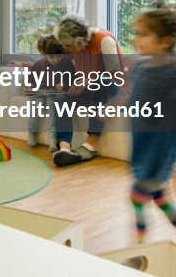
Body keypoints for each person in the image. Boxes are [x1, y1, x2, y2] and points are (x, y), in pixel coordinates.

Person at [128, 3, 176, 250]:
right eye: (136, 33)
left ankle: (138, 250)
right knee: (163, 199)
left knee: (138, 197)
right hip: (143, 144)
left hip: (160, 149)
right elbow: (137, 97)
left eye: (142, 34)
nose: (136, 39)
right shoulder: (140, 67)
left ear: (164, 40)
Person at [51, 15, 125, 166]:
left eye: (67, 45)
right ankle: (64, 148)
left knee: (98, 83)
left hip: (111, 91)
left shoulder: (104, 40)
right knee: (60, 99)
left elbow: (115, 76)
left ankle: (90, 145)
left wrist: (88, 79)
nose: (66, 49)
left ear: (78, 39)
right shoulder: (76, 47)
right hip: (91, 91)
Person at [25, 35, 75, 148]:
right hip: (39, 93)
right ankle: (32, 132)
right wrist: (30, 85)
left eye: (59, 57)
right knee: (34, 105)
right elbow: (31, 79)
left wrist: (64, 84)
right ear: (45, 55)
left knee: (52, 105)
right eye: (52, 57)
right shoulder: (38, 65)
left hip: (55, 94)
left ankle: (53, 138)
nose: (55, 60)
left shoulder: (67, 64)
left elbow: (73, 79)